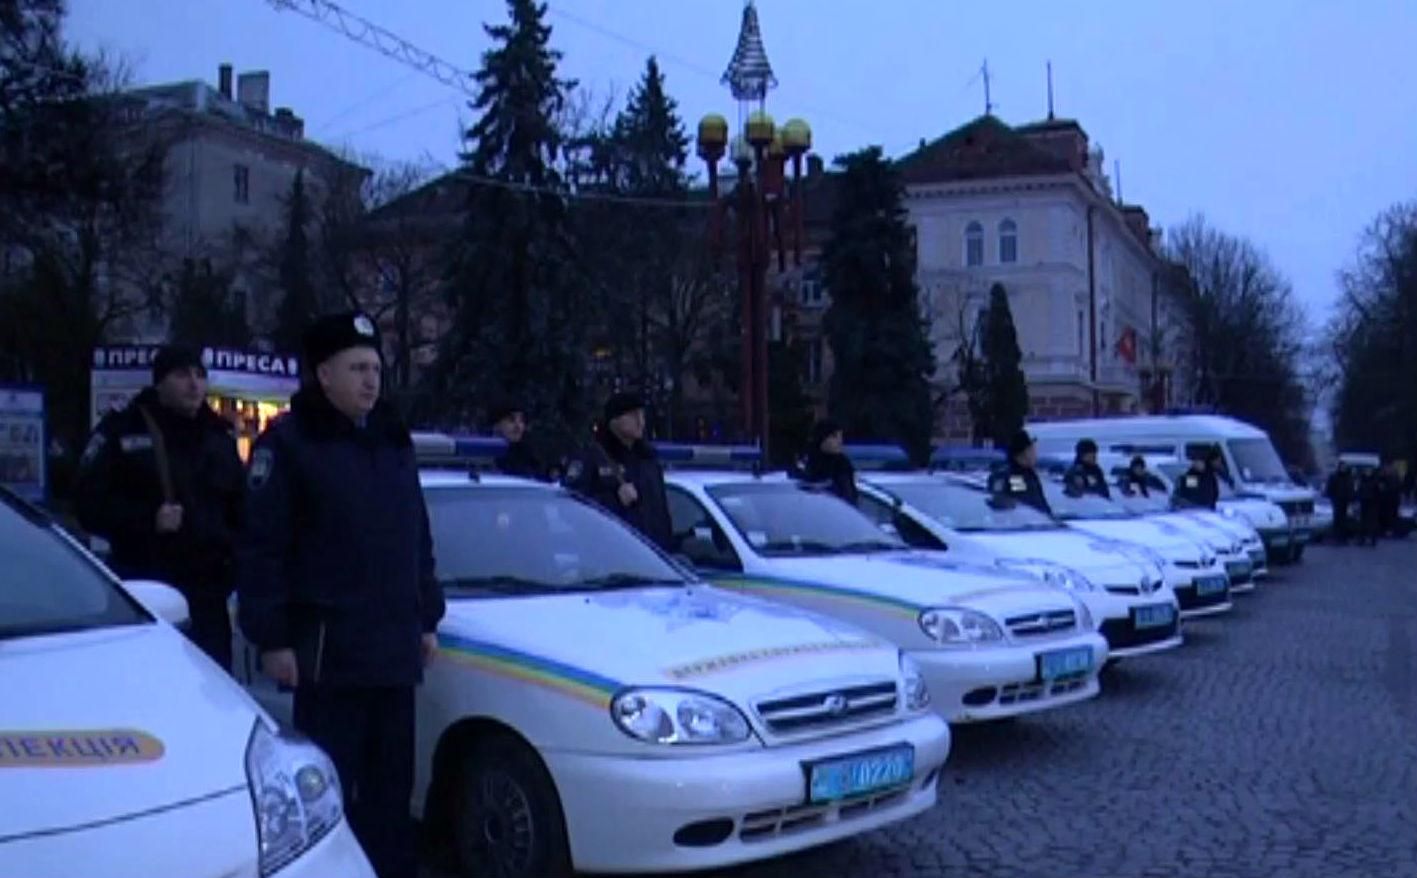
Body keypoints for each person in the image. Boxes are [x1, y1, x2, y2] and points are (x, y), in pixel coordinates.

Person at [236, 311, 444, 878]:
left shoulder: (391, 439)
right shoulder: (290, 445)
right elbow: (262, 549)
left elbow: (416, 535)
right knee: (328, 789)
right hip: (328, 658)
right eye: (357, 367)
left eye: (375, 367)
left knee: (390, 792)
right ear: (323, 374)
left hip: (394, 655)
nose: (371, 380)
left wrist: (427, 616)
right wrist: (273, 637)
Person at [74, 345, 244, 671]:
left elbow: (242, 513)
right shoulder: (123, 430)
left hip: (209, 596)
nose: (194, 385)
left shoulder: (218, 437)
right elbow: (88, 504)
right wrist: (147, 520)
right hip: (149, 591)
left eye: (199, 375)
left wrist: (235, 567)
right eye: (182, 375)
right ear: (159, 383)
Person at [564, 391, 673, 551]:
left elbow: (660, 511)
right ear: (614, 420)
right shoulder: (593, 457)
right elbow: (572, 507)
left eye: (642, 415)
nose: (640, 422)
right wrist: (614, 500)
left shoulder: (647, 459)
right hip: (610, 557)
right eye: (633, 415)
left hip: (652, 555)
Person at [795, 418, 859, 504]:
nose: (839, 441)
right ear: (822, 438)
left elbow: (849, 496)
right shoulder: (806, 463)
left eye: (840, 437)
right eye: (834, 437)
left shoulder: (842, 463)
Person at [988, 430, 1052, 515]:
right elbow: (1027, 504)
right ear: (1023, 454)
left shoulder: (1025, 474)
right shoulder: (1016, 478)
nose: (1035, 454)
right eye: (1032, 450)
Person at [487, 395, 546, 480]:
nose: (518, 426)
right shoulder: (483, 456)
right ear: (496, 425)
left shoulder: (528, 455)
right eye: (511, 420)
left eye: (521, 421)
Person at [1324, 462, 1355, 545]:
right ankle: (1337, 537)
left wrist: (1352, 497)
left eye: (1344, 467)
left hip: (1345, 500)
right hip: (1337, 499)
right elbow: (1330, 487)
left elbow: (1351, 488)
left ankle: (1343, 537)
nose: (1343, 468)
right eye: (1342, 467)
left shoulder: (1349, 477)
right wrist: (1330, 495)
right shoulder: (1335, 476)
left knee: (1343, 519)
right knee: (1337, 518)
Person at [1356, 466, 1382, 547]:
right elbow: (1359, 491)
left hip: (1373, 503)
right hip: (1363, 503)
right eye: (1366, 471)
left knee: (1372, 522)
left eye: (1369, 471)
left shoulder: (1375, 481)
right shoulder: (1361, 481)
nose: (1368, 472)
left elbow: (1378, 493)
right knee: (1362, 522)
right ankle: (1362, 539)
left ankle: (1373, 539)